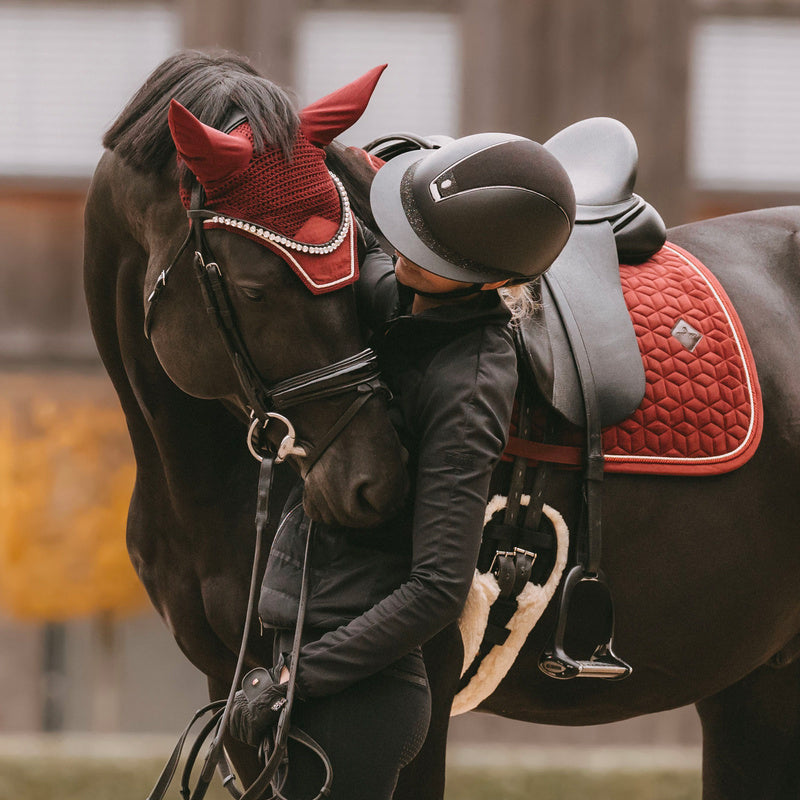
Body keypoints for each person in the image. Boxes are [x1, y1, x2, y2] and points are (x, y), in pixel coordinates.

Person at [229, 132, 576, 799]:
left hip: (358, 704)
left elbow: (438, 590)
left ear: (496, 280)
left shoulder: (469, 388)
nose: (405, 253)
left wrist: (296, 680)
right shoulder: (406, 295)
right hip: (312, 656)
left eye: (432, 250)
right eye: (409, 234)